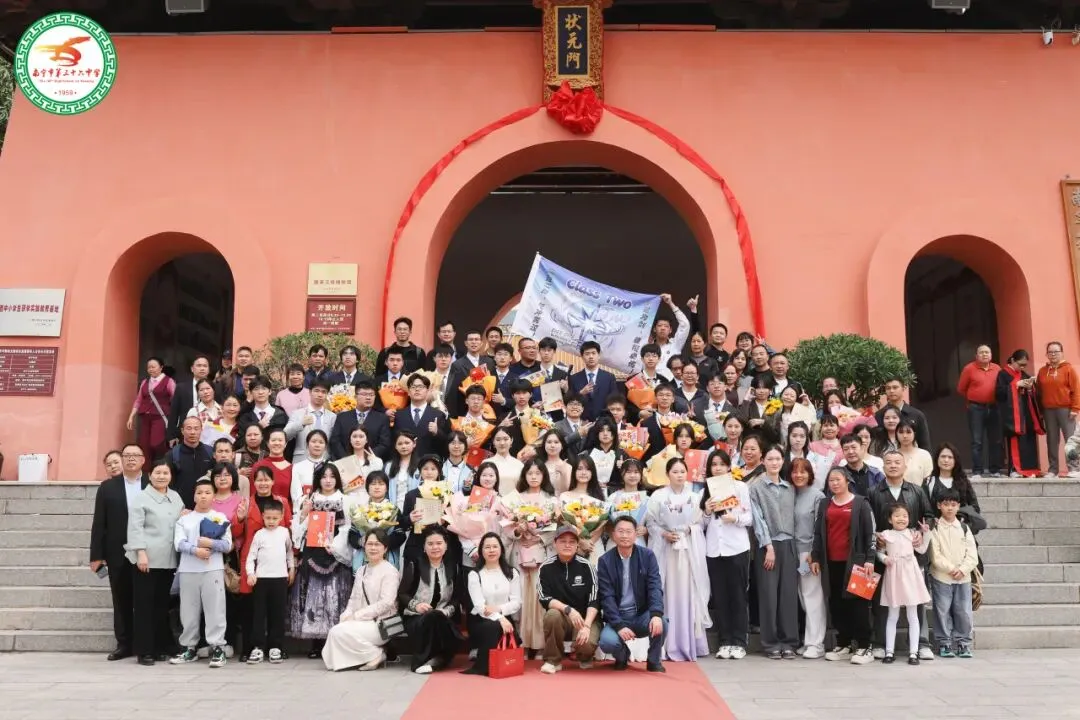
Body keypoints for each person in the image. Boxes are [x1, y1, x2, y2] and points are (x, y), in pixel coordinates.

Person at [868, 449, 934, 660]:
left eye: (898, 462)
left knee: (917, 602)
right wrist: (875, 537)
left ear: (905, 466)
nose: (893, 465)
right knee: (882, 602)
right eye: (889, 462)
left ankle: (922, 644)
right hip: (885, 554)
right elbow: (867, 520)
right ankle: (880, 643)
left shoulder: (917, 491)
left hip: (911, 554)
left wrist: (921, 533)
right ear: (883, 466)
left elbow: (929, 516)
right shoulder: (873, 491)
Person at [645, 457, 710, 660]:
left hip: (688, 550)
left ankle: (687, 642)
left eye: (682, 471)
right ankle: (665, 642)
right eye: (675, 472)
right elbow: (650, 523)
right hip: (666, 550)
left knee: (687, 593)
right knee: (666, 591)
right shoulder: (658, 496)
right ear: (667, 474)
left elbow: (702, 523)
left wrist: (690, 529)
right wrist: (664, 533)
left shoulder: (695, 497)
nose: (679, 475)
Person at [811, 468, 875, 665]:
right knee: (836, 604)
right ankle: (844, 643)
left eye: (838, 479)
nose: (834, 483)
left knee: (858, 605)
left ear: (848, 481)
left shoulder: (861, 503)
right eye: (831, 480)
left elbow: (870, 533)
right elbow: (818, 533)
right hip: (831, 562)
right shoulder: (825, 503)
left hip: (856, 563)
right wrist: (815, 556)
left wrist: (870, 559)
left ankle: (865, 646)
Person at [89, 443, 147, 662]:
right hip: (117, 551)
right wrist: (96, 555)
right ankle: (124, 644)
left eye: (135, 455)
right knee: (121, 600)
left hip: (147, 551)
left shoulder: (151, 483)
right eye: (127, 455)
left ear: (143, 460)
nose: (130, 459)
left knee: (144, 599)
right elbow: (99, 522)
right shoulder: (107, 487)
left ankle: (145, 644)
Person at [291, 463, 353, 658]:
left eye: (332, 476)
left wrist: (335, 546)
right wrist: (304, 513)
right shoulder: (309, 499)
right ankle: (316, 644)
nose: (328, 480)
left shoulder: (345, 500)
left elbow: (348, 528)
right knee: (314, 598)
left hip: (335, 553)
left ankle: (335, 642)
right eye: (324, 476)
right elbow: (298, 531)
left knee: (335, 598)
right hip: (313, 553)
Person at [170, 478, 233, 668]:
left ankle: (217, 647)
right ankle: (189, 647)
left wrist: (210, 544)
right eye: (199, 493)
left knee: (215, 609)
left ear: (214, 496)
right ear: (194, 496)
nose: (203, 496)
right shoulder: (184, 520)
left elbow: (227, 545)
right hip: (188, 570)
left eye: (207, 492)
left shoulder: (219, 517)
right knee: (188, 610)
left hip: (212, 569)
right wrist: (195, 550)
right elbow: (179, 543)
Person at [125, 461, 183, 666]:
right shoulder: (141, 498)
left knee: (160, 606)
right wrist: (140, 552)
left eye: (165, 473)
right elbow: (135, 528)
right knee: (144, 606)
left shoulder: (175, 497)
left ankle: (159, 647)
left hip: (168, 560)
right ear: (149, 476)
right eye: (157, 472)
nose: (161, 476)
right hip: (147, 559)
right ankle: (144, 650)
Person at [323, 528, 401, 671]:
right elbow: (354, 598)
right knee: (337, 629)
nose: (373, 548)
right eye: (369, 544)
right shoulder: (361, 570)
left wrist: (357, 616)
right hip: (361, 622)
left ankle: (376, 654)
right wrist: (346, 615)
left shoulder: (390, 571)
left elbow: (387, 603)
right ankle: (369, 655)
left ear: (385, 548)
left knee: (337, 633)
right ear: (364, 547)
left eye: (377, 544)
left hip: (381, 623)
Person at [596, 516, 668, 672]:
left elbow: (655, 587)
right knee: (607, 642)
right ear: (613, 535)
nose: (624, 536)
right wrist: (619, 625)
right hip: (618, 615)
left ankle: (654, 660)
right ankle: (622, 655)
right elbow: (606, 596)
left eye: (629, 532)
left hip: (641, 615)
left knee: (661, 622)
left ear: (636, 534)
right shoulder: (605, 561)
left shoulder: (647, 556)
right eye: (620, 531)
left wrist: (656, 614)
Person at [699, 450, 752, 659]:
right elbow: (701, 525)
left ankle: (739, 642)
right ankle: (725, 641)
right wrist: (706, 510)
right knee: (720, 597)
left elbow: (750, 517)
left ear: (729, 466)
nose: (718, 468)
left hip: (736, 547)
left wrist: (735, 519)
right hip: (714, 550)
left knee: (738, 595)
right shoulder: (705, 491)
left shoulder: (740, 487)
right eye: (714, 464)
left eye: (722, 464)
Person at [748, 445, 799, 659]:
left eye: (778, 459)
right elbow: (757, 518)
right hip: (767, 546)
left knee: (788, 596)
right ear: (763, 461)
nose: (774, 463)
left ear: (782, 461)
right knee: (769, 596)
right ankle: (770, 643)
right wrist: (768, 545)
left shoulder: (790, 488)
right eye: (770, 459)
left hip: (789, 544)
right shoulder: (756, 487)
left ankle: (789, 642)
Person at [398, 526, 463, 674]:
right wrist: (417, 605)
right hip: (416, 618)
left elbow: (457, 597)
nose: (435, 547)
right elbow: (402, 594)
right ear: (424, 547)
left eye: (439, 543)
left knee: (438, 618)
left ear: (446, 546)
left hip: (443, 617)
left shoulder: (453, 567)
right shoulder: (414, 565)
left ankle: (435, 660)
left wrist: (446, 611)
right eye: (430, 544)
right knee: (431, 618)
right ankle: (427, 661)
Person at [537, 526, 601, 674]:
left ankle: (585, 657)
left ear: (577, 545)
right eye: (563, 541)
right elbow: (545, 598)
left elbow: (595, 599)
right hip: (563, 617)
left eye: (572, 542)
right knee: (552, 614)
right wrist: (568, 610)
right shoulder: (545, 568)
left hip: (585, 618)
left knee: (586, 646)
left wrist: (586, 626)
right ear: (555, 543)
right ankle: (553, 660)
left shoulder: (587, 567)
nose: (567, 545)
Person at [877, 503, 932, 665]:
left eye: (904, 516)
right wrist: (884, 558)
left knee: (912, 615)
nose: (901, 519)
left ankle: (913, 652)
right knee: (892, 615)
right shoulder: (886, 534)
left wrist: (926, 533)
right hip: (893, 574)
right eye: (897, 515)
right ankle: (889, 651)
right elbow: (879, 552)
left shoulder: (912, 533)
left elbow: (922, 549)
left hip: (910, 574)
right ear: (890, 519)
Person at [928, 489, 980, 659]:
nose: (949, 508)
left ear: (958, 506)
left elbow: (972, 554)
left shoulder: (964, 528)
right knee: (942, 610)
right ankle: (944, 642)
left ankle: (963, 643)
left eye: (953, 504)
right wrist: (951, 569)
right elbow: (935, 555)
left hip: (963, 578)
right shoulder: (935, 528)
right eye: (946, 504)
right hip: (941, 577)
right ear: (939, 506)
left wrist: (963, 569)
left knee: (964, 611)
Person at [461, 532, 522, 676]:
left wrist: (499, 609)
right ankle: (485, 666)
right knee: (493, 626)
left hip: (506, 618)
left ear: (501, 549)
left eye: (495, 546)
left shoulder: (511, 573)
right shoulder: (475, 574)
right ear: (481, 551)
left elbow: (517, 602)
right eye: (487, 547)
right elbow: (480, 607)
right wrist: (500, 618)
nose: (491, 550)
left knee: (498, 626)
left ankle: (500, 663)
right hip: (481, 620)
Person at [245, 498, 295, 665]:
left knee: (278, 613)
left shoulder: (284, 533)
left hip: (280, 578)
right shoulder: (259, 534)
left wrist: (291, 568)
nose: (271, 521)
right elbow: (251, 556)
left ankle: (276, 647)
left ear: (281, 516)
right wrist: (250, 574)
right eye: (268, 518)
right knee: (259, 614)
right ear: (263, 516)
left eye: (275, 518)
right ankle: (258, 646)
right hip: (261, 579)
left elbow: (289, 553)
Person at [790, 458, 826, 659]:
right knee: (802, 598)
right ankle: (808, 641)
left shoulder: (817, 496)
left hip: (808, 553)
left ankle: (816, 643)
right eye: (795, 471)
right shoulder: (790, 494)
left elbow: (820, 528)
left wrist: (814, 554)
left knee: (812, 597)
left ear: (810, 474)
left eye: (803, 471)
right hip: (791, 552)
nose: (799, 475)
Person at [956, 345, 1003, 477]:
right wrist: (974, 398)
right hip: (976, 408)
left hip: (994, 407)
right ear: (976, 356)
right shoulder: (969, 369)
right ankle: (977, 470)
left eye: (987, 352)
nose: (984, 354)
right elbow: (961, 388)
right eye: (981, 352)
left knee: (995, 440)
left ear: (991, 355)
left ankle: (995, 470)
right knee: (977, 441)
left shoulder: (997, 368)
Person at [997, 349, 1045, 478]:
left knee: (1029, 441)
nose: (1022, 367)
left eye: (1025, 365)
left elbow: (1033, 395)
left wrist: (1030, 388)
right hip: (1013, 415)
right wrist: (1015, 385)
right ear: (1013, 360)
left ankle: (1030, 469)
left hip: (1026, 412)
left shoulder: (1024, 374)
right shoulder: (1003, 374)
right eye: (1020, 364)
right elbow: (999, 393)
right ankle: (1015, 469)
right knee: (1015, 441)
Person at [1037, 341, 1080, 477]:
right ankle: (1053, 470)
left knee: (1070, 440)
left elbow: (1076, 390)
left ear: (1062, 353)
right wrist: (1040, 411)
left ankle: (1074, 469)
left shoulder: (1069, 369)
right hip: (1048, 410)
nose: (1053, 354)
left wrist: (1075, 408)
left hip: (1066, 410)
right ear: (1047, 354)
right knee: (1051, 440)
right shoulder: (1042, 371)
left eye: (1056, 351)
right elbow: (1039, 392)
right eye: (1050, 352)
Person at [128, 356, 176, 471]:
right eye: (149, 367)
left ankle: (164, 466)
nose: (151, 369)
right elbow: (138, 400)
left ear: (161, 367)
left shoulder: (169, 381)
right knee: (144, 446)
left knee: (157, 443)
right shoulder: (145, 382)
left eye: (153, 367)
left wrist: (174, 419)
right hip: (145, 417)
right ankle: (146, 472)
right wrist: (131, 416)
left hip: (160, 417)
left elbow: (175, 400)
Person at [874, 376, 931, 454]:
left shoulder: (917, 415)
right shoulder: (879, 415)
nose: (891, 391)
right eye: (888, 388)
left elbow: (925, 445)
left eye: (895, 387)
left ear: (903, 388)